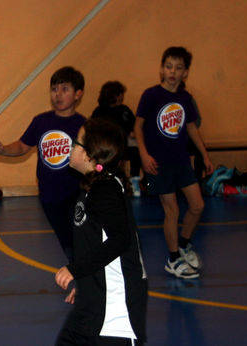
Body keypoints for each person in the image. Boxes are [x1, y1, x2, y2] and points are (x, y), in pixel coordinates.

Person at [55, 118, 147, 345]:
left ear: (90, 155)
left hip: (115, 312)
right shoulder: (92, 187)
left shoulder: (105, 190)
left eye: (76, 143)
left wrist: (76, 269)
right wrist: (87, 282)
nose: (71, 146)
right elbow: (95, 241)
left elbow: (119, 240)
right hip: (93, 301)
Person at [0, 66, 87, 261]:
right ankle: (78, 271)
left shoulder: (83, 124)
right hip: (49, 195)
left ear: (78, 94)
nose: (58, 94)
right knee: (65, 240)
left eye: (65, 89)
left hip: (76, 193)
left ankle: (84, 279)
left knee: (80, 238)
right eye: (54, 89)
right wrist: (3, 149)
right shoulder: (41, 121)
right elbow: (23, 146)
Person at [133, 46, 213, 279]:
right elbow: (137, 127)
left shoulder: (185, 98)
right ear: (161, 69)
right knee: (172, 211)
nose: (172, 72)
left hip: (181, 162)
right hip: (159, 164)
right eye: (168, 66)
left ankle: (184, 244)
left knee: (197, 206)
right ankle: (173, 259)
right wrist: (144, 155)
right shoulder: (151, 95)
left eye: (178, 68)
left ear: (185, 73)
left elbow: (191, 128)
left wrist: (204, 155)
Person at [91, 81, 141, 196]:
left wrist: (136, 134)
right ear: (113, 95)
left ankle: (134, 181)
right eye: (119, 94)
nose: (122, 97)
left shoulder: (124, 110)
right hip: (105, 149)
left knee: (137, 152)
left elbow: (134, 128)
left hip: (123, 146)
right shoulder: (99, 112)